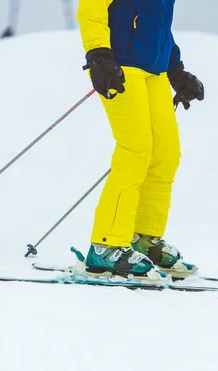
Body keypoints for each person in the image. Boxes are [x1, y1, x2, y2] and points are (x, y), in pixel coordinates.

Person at [76, 0, 204, 279]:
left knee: (165, 153)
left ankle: (143, 237)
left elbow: (158, 26)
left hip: (155, 70)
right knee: (135, 149)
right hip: (120, 66)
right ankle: (105, 245)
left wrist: (176, 70)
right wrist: (98, 56)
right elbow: (91, 9)